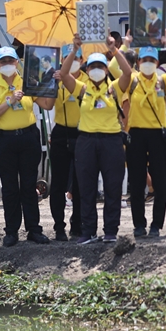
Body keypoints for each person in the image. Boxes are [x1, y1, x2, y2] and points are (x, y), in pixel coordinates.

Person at [60, 34, 133, 244]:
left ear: (107, 69)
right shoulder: (82, 89)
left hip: (111, 142)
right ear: (87, 71)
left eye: (101, 66)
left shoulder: (115, 88)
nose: (97, 70)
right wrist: (75, 49)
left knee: (112, 188)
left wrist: (113, 50)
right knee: (86, 188)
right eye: (92, 67)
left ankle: (110, 231)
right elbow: (64, 74)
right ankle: (88, 231)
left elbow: (128, 72)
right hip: (86, 142)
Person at [0, 46, 53, 247]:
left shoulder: (28, 81)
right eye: (3, 62)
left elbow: (47, 105)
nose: (7, 65)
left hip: (28, 138)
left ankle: (34, 229)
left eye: (10, 61)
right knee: (10, 188)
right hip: (4, 140)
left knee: (29, 186)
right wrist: (10, 101)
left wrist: (51, 83)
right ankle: (11, 231)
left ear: (17, 63)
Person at [123, 46, 166, 237]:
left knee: (160, 183)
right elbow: (113, 65)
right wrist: (125, 44)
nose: (148, 64)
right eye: (145, 60)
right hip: (136, 135)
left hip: (157, 135)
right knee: (136, 183)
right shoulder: (132, 80)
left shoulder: (163, 81)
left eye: (152, 60)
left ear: (157, 63)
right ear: (138, 63)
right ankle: (139, 225)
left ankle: (156, 225)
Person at [49, 44, 85, 241]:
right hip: (61, 132)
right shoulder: (57, 79)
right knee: (59, 183)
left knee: (80, 183)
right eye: (70, 57)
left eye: (78, 57)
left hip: (82, 132)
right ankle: (58, 226)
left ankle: (77, 224)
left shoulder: (87, 80)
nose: (74, 61)